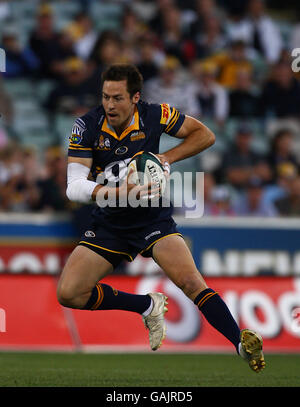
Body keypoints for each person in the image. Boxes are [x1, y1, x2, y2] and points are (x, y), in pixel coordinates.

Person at [57, 63, 265, 373]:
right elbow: (73, 187)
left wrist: (165, 158)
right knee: (70, 293)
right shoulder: (86, 126)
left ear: (135, 98)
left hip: (153, 219)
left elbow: (204, 135)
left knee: (190, 281)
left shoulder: (156, 115)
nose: (110, 105)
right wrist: (119, 192)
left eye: (117, 98)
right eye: (105, 97)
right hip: (110, 222)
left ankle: (240, 343)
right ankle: (146, 305)